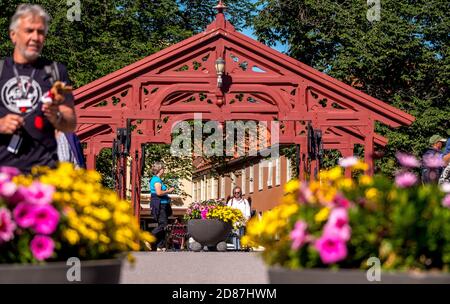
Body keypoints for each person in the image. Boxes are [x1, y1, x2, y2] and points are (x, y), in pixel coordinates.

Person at [0, 4, 76, 173]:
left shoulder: (57, 71)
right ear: (13, 35)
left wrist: (58, 118)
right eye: (29, 31)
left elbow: (71, 123)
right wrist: (1, 124)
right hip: (3, 175)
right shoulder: (1, 70)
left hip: (43, 174)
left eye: (40, 32)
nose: (35, 37)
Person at [149, 161, 174, 251]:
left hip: (162, 204)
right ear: (160, 170)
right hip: (161, 205)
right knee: (163, 224)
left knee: (162, 225)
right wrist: (168, 191)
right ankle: (149, 237)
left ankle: (160, 246)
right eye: (163, 168)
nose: (164, 170)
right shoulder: (156, 180)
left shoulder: (157, 179)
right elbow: (159, 193)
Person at [227, 186, 251, 250]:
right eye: (235, 193)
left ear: (241, 193)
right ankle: (236, 249)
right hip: (234, 223)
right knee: (235, 236)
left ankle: (241, 248)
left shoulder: (245, 201)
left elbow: (248, 213)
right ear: (233, 193)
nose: (236, 194)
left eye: (238, 192)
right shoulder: (230, 202)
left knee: (241, 236)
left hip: (243, 223)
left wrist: (247, 221)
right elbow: (227, 212)